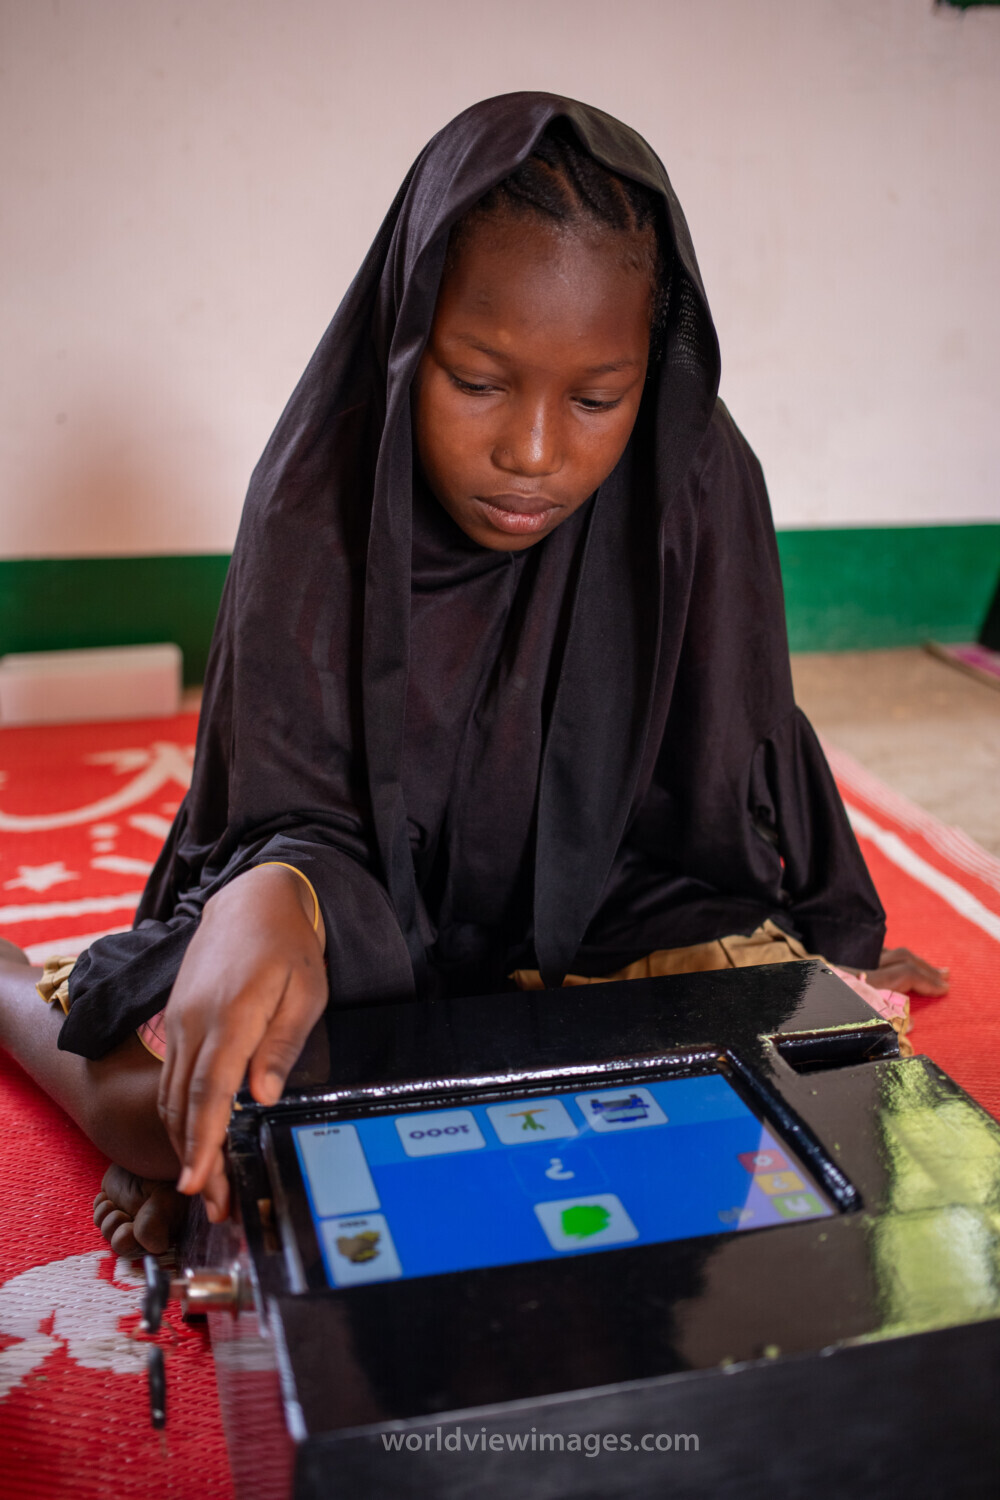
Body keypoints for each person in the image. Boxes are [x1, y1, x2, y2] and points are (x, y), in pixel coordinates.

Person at [0, 93, 948, 1257]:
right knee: (175, 1114)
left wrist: (806, 945)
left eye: (595, 398)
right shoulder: (318, 488)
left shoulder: (699, 474)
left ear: (651, 372)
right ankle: (7, 989)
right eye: (479, 380)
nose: (533, 452)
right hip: (358, 901)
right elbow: (281, 802)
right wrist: (272, 893)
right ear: (408, 336)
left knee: (802, 1085)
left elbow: (724, 763)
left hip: (611, 896)